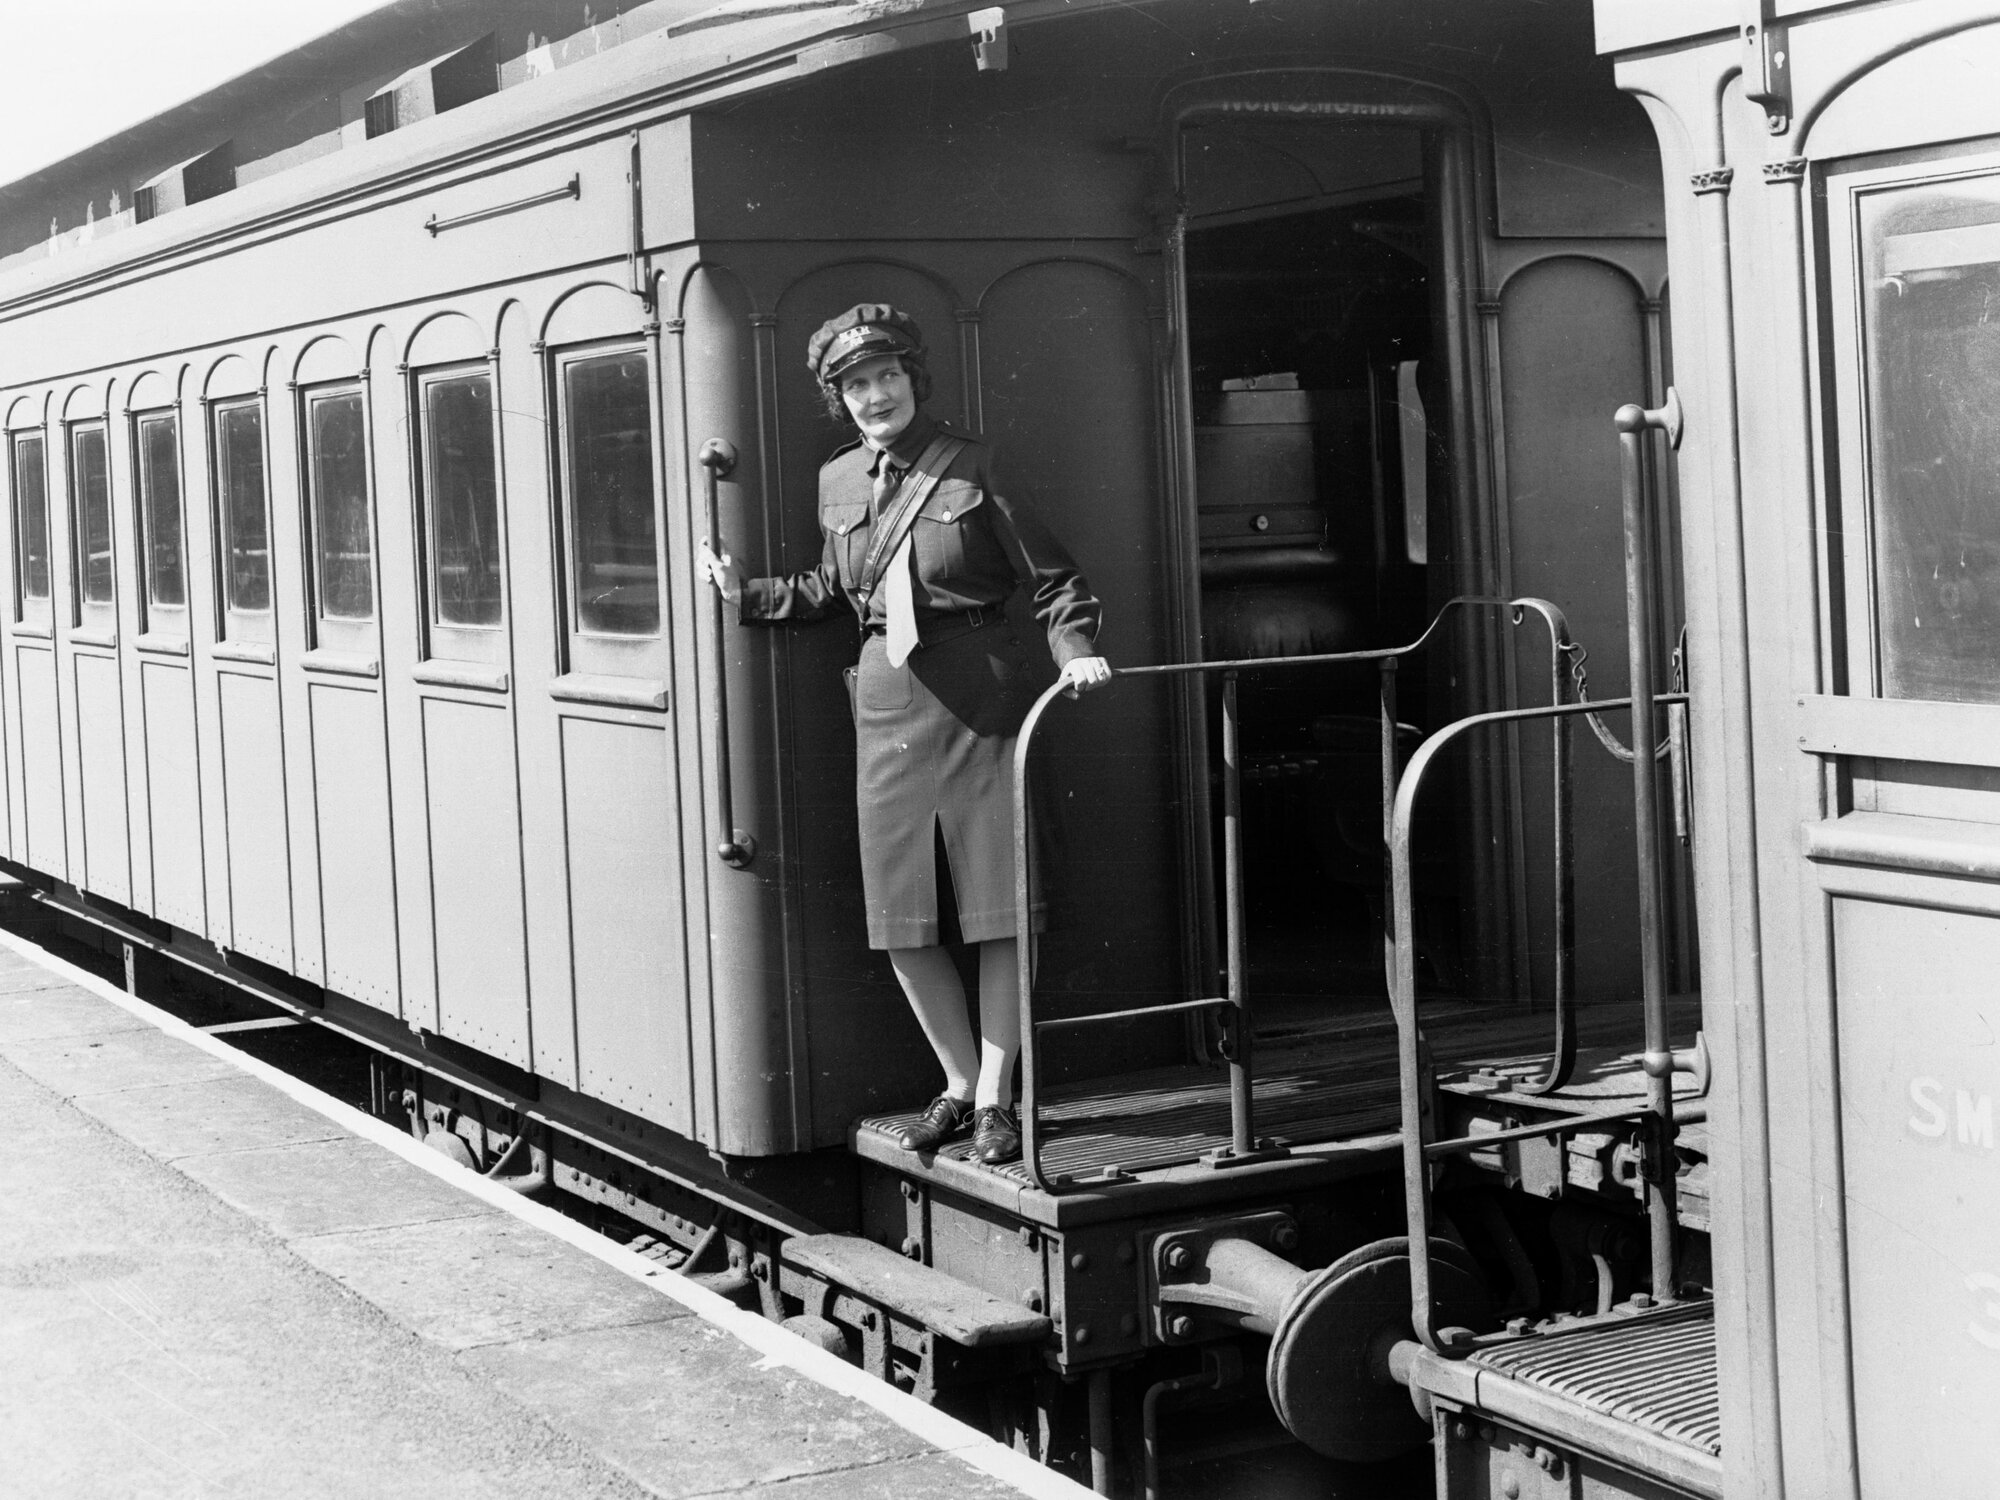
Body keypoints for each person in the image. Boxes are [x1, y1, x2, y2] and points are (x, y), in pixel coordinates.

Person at [699, 304, 1112, 1165]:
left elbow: (1056, 579)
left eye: (886, 376)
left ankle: (997, 1097)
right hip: (888, 702)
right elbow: (833, 586)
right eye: (856, 384)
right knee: (903, 920)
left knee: (1001, 910)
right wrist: (749, 594)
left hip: (983, 695)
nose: (875, 395)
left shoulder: (976, 463)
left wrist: (1075, 651)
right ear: (840, 399)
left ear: (913, 379)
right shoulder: (838, 477)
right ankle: (956, 1087)